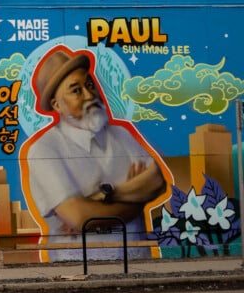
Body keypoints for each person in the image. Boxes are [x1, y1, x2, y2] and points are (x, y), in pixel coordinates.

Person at [20, 46, 170, 261]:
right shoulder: (44, 149)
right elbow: (80, 217)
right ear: (57, 105)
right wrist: (136, 198)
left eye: (89, 84)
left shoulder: (120, 134)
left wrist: (104, 196)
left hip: (135, 260)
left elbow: (156, 182)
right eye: (76, 90)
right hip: (77, 264)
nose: (90, 94)